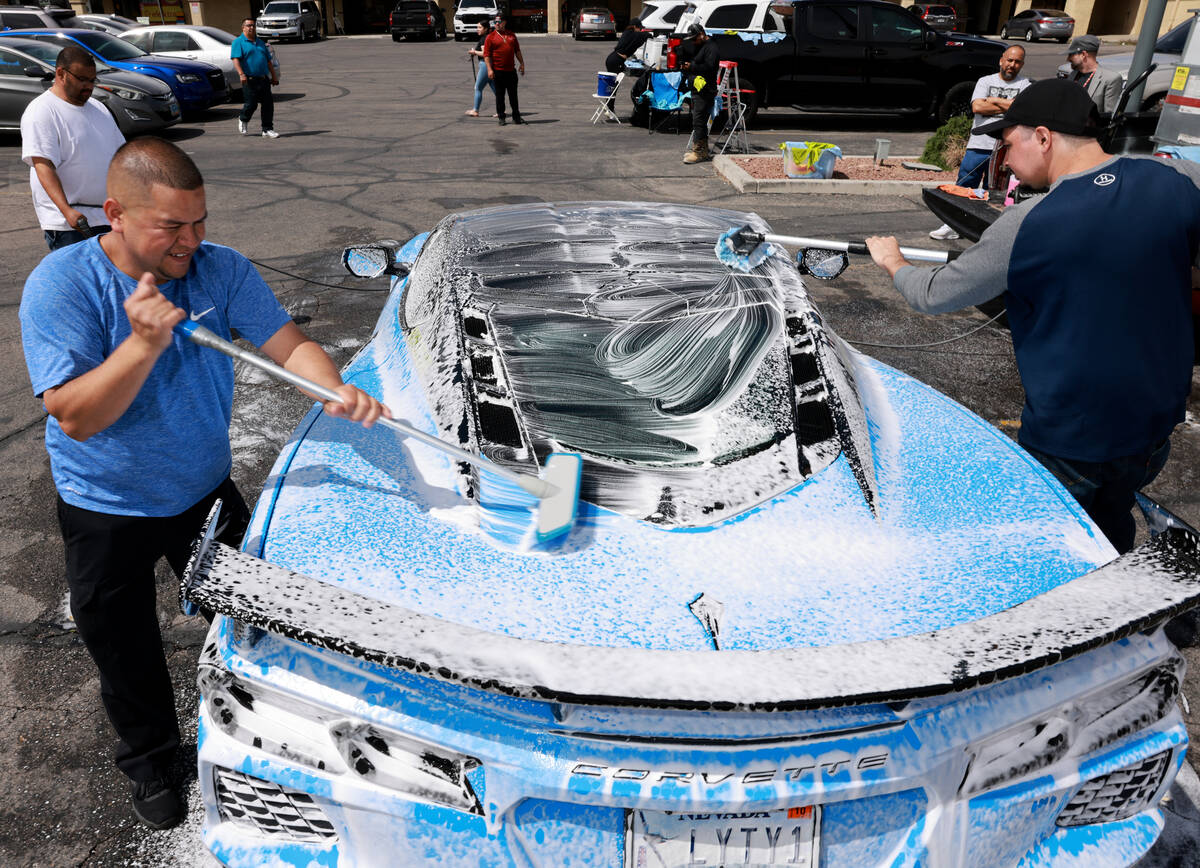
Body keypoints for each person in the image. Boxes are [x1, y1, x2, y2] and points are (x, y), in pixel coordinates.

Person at [18, 137, 388, 830]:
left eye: (200, 221)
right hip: (106, 507)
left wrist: (333, 387)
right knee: (124, 647)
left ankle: (271, 734)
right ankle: (153, 760)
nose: (192, 240)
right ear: (116, 215)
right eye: (172, 227)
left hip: (205, 492)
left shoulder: (220, 271)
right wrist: (141, 344)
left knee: (261, 620)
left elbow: (287, 344)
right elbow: (74, 415)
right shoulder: (63, 285)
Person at [865, 79, 1199, 556]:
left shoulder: (1031, 222)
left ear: (1043, 137)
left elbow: (934, 294)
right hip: (1153, 427)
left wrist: (892, 261)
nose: (1006, 158)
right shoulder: (1177, 180)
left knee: (1047, 550)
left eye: (1008, 143)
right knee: (1110, 522)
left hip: (1072, 436)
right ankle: (1120, 611)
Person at [20, 45, 125, 251]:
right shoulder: (42, 111)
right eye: (82, 79)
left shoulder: (99, 108)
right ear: (61, 73)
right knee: (80, 282)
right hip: (71, 226)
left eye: (92, 80)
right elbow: (43, 166)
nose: (88, 86)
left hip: (108, 218)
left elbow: (121, 156)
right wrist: (66, 210)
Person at [929, 44, 1030, 241]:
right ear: (1001, 60)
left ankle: (987, 230)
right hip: (979, 143)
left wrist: (992, 101)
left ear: (1022, 64)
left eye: (1017, 61)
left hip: (1006, 148)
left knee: (996, 191)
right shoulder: (985, 81)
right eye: (1009, 60)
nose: (1012, 65)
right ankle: (952, 224)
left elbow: (1022, 110)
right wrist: (1009, 106)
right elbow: (977, 106)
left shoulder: (1026, 85)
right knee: (965, 184)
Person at [231, 18, 280, 138]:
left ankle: (267, 129)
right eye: (248, 25)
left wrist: (273, 76)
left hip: (263, 79)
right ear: (243, 28)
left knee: (268, 104)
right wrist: (241, 74)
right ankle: (243, 118)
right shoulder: (238, 42)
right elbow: (235, 59)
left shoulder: (260, 43)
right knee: (251, 104)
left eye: (253, 25)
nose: (251, 28)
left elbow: (268, 61)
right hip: (249, 79)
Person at [678, 23, 718, 164]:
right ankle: (702, 150)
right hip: (697, 88)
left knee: (699, 120)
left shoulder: (712, 47)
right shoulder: (701, 46)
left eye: (695, 38)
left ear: (701, 34)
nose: (694, 42)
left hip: (705, 90)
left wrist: (692, 66)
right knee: (697, 120)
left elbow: (710, 67)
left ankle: (699, 152)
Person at [484, 13, 525, 125]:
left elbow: (517, 51)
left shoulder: (511, 35)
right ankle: (501, 117)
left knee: (513, 96)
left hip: (511, 71)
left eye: (499, 22)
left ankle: (516, 117)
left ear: (504, 22)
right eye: (495, 22)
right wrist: (489, 69)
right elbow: (486, 55)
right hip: (498, 71)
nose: (496, 24)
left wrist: (522, 63)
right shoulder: (490, 37)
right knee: (500, 96)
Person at [1067, 35, 1123, 114]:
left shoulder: (1110, 79)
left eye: (1071, 55)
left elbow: (1109, 115)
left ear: (1083, 54)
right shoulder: (1073, 74)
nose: (1068, 59)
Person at [466, 20, 495, 117]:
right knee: (496, 90)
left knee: (478, 88)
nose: (477, 29)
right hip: (490, 65)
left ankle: (475, 110)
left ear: (486, 29)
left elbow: (485, 53)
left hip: (485, 65)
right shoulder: (489, 37)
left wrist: (474, 52)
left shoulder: (484, 39)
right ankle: (501, 110)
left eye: (479, 27)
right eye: (477, 27)